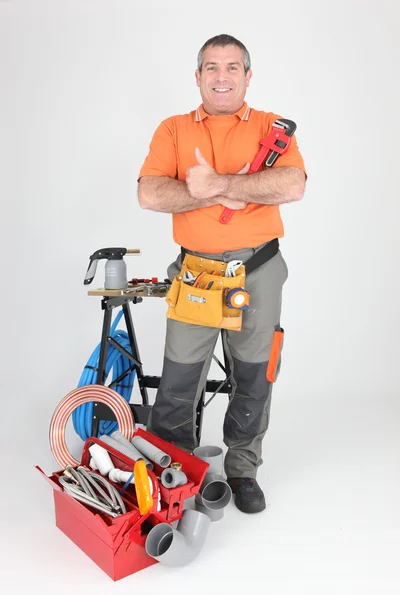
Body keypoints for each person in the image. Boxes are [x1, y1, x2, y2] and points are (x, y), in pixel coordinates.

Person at [137, 34, 307, 513]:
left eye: (233, 67)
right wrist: (216, 192)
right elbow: (150, 193)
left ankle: (242, 469)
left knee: (254, 374)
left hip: (259, 270)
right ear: (198, 77)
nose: (222, 77)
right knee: (178, 380)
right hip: (195, 276)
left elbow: (291, 183)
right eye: (212, 67)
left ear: (247, 76)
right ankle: (174, 470)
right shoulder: (172, 129)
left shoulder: (272, 127)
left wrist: (222, 182)